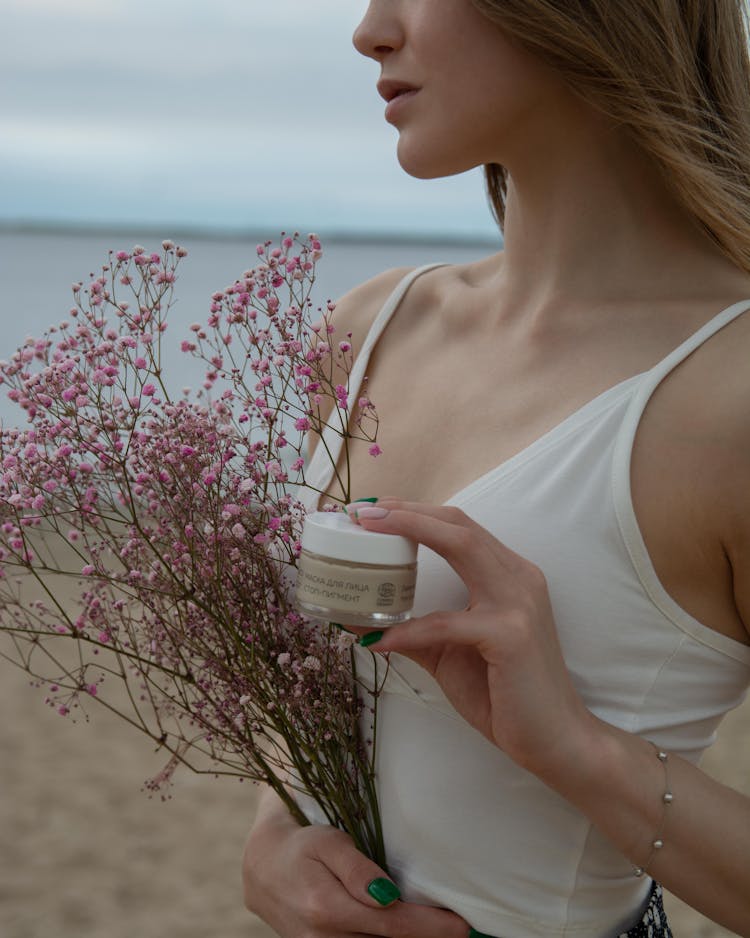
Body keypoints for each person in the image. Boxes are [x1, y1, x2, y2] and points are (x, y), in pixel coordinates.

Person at [242, 1, 750, 935]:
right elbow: (327, 682)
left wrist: (577, 750)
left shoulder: (731, 394)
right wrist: (276, 841)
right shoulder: (369, 329)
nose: (370, 31)